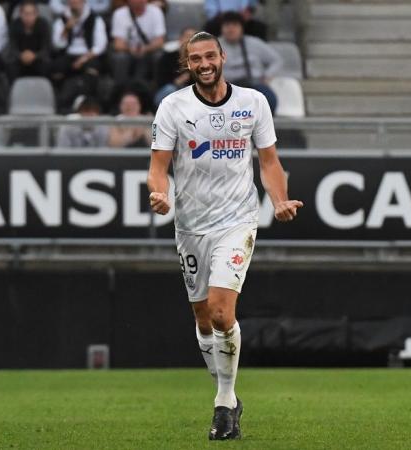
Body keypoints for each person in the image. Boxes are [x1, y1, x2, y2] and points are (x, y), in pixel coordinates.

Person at [147, 31, 303, 440]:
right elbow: (158, 164)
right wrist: (159, 193)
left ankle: (224, 400)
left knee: (220, 311)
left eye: (209, 55)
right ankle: (228, 397)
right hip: (191, 225)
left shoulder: (253, 103)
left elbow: (269, 162)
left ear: (222, 57)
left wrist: (280, 200)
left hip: (237, 219)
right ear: (188, 64)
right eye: (195, 58)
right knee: (202, 318)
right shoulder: (173, 107)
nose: (203, 63)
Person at [218, 11, 281, 114]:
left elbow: (276, 60)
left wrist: (267, 76)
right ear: (222, 28)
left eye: (235, 25)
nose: (231, 29)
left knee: (269, 100)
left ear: (242, 28)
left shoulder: (254, 43)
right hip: (227, 87)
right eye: (227, 25)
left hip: (254, 84)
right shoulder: (214, 45)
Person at [50, 0, 107, 111]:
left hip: (88, 55)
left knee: (93, 68)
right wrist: (66, 29)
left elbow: (100, 46)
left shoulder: (95, 19)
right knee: (56, 68)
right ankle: (62, 103)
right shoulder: (61, 20)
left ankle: (87, 102)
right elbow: (57, 44)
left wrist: (83, 58)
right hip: (68, 54)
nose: (74, 3)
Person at [109, 0, 165, 85]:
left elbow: (160, 41)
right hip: (128, 51)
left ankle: (158, 89)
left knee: (159, 56)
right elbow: (118, 44)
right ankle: (120, 90)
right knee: (120, 57)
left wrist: (145, 49)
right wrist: (131, 49)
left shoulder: (156, 11)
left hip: (149, 50)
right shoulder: (119, 13)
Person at [6, 0, 51, 80]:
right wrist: (21, 55)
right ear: (20, 14)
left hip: (38, 58)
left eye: (31, 14)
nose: (28, 17)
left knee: (45, 65)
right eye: (25, 14)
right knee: (11, 66)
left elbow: (46, 48)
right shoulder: (14, 25)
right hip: (19, 59)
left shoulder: (43, 25)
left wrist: (34, 56)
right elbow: (12, 47)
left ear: (36, 14)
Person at [153, 27, 196, 107]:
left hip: (188, 96)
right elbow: (159, 82)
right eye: (188, 36)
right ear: (180, 39)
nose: (190, 40)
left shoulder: (198, 61)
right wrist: (177, 81)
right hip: (166, 94)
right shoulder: (167, 57)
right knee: (170, 89)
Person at [203, 0, 268, 41]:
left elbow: (251, 6)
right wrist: (227, 17)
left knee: (259, 27)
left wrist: (247, 12)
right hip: (222, 19)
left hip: (242, 18)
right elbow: (211, 10)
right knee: (210, 26)